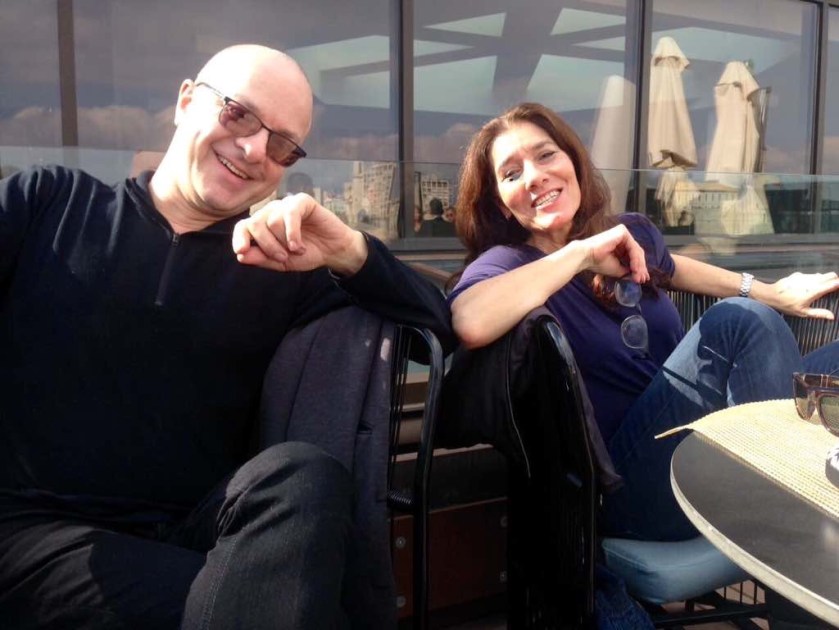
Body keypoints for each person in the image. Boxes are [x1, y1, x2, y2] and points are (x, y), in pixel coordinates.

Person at [0, 44, 453, 629]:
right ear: (186, 101)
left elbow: (437, 326)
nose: (255, 150)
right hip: (38, 534)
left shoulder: (278, 263)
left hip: (203, 535)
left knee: (304, 473)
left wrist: (348, 250)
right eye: (239, 114)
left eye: (283, 145)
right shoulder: (51, 204)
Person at [446, 102, 839, 543]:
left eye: (545, 155)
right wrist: (579, 255)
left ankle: (796, 492)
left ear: (573, 162)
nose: (535, 176)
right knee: (738, 321)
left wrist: (771, 292)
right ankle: (794, 515)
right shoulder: (508, 263)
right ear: (501, 205)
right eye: (512, 173)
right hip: (633, 487)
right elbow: (470, 320)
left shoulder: (624, 234)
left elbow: (677, 269)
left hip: (696, 440)